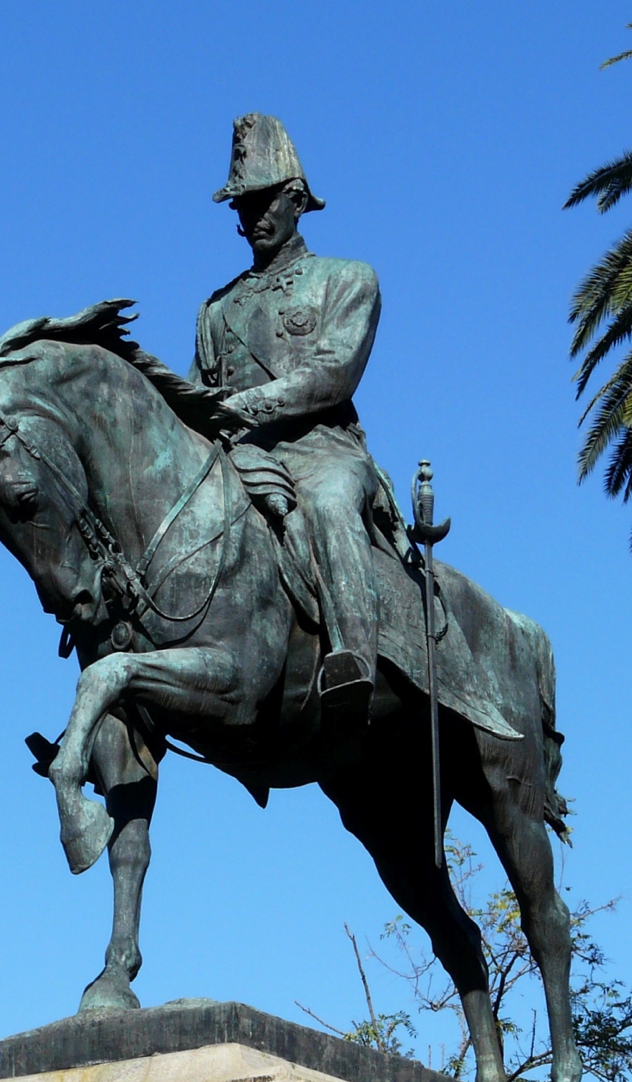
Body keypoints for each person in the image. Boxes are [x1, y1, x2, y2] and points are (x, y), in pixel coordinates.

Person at [192, 113, 384, 725]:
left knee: (329, 504)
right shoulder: (216, 308)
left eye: (262, 201)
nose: (250, 218)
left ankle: (355, 655)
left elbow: (333, 375)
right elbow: (198, 398)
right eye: (240, 207)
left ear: (296, 198)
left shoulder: (346, 280)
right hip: (241, 456)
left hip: (323, 451)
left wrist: (246, 405)